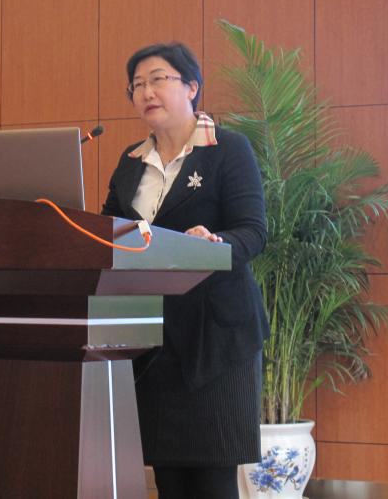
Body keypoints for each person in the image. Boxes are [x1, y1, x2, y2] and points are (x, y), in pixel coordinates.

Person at [101, 42, 269, 499]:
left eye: (158, 79)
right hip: (154, 339)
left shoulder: (228, 149)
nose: (146, 91)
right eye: (137, 85)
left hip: (217, 339)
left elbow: (253, 232)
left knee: (213, 482)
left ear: (192, 87)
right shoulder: (131, 162)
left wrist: (215, 243)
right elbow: (108, 236)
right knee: (170, 481)